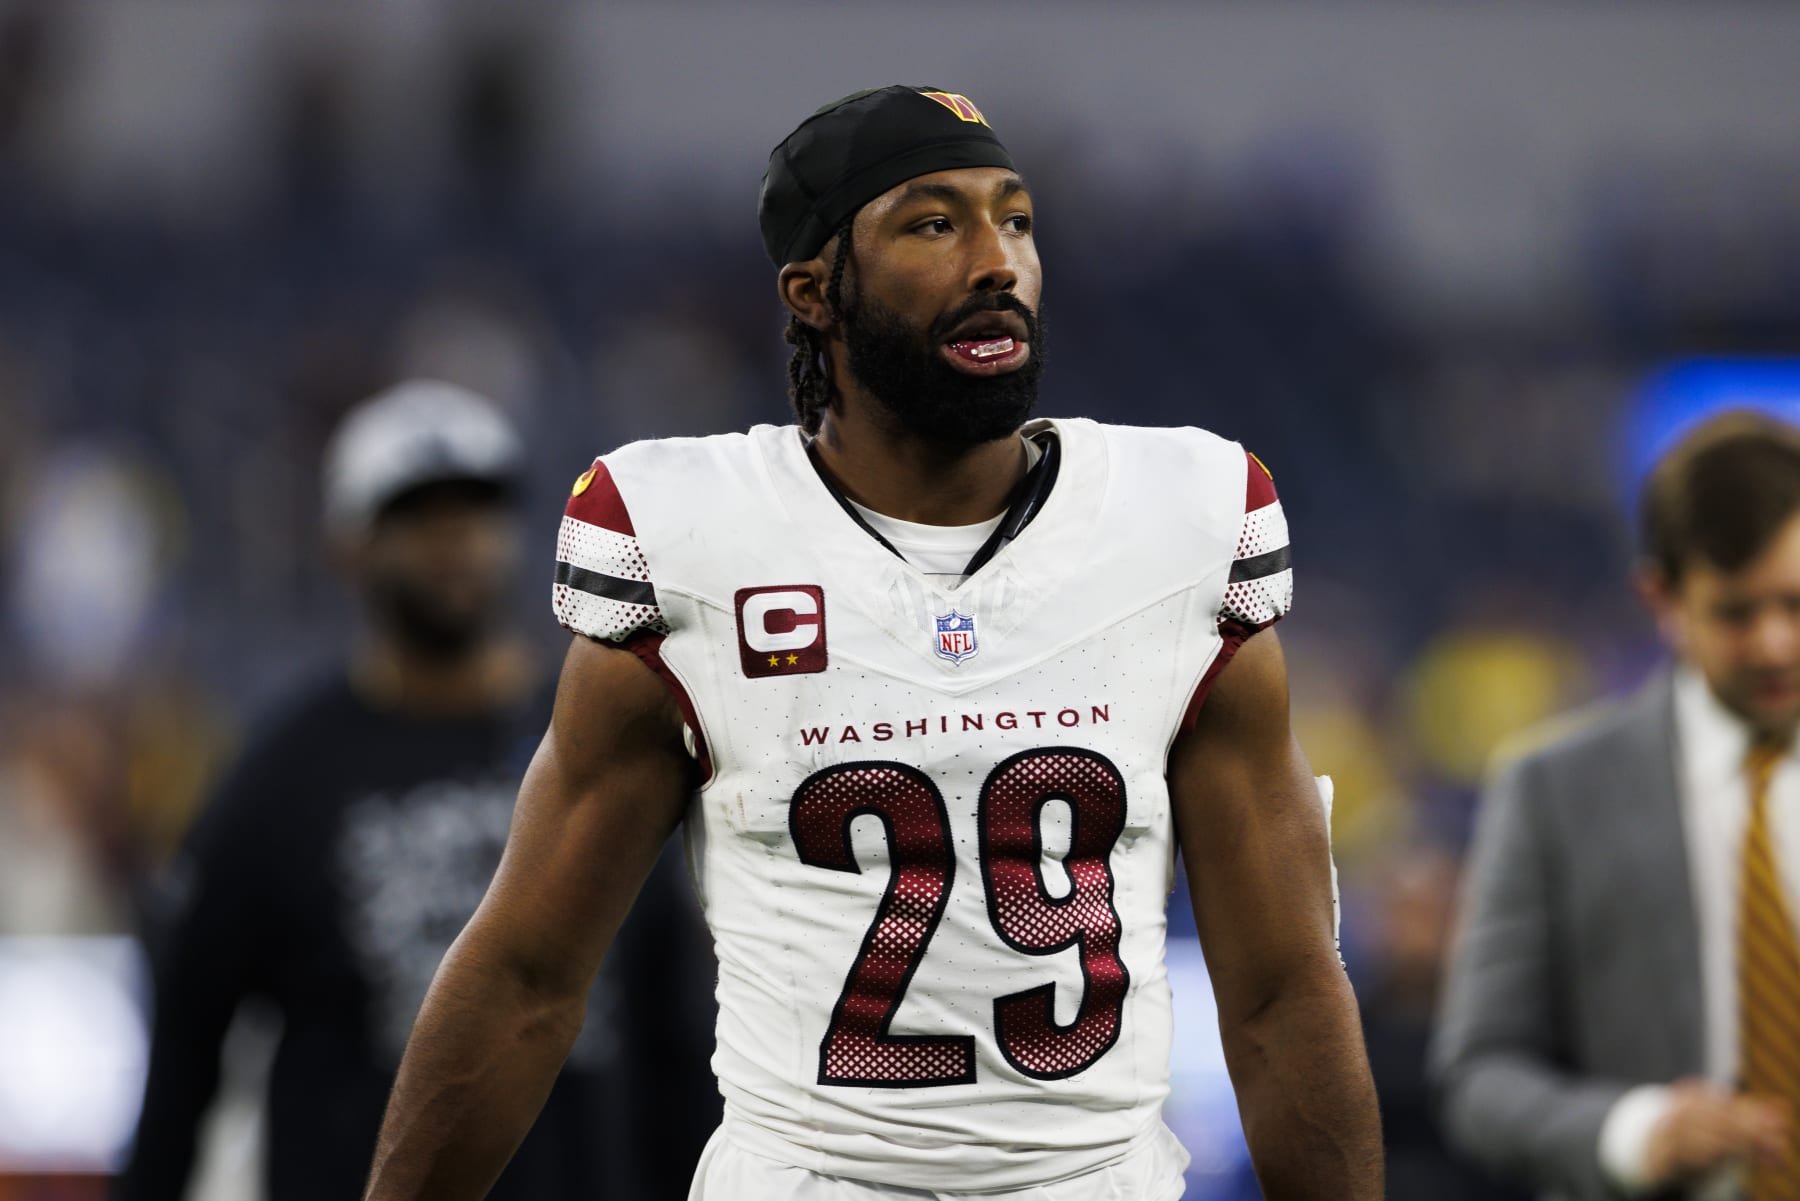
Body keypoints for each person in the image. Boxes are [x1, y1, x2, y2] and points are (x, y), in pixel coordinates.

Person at [364, 87, 1381, 1201]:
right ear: (813, 291)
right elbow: (525, 977)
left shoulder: (1176, 525)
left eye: (1018, 220)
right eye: (934, 223)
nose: (998, 261)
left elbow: (1282, 987)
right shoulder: (699, 541)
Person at [120, 380, 716, 1201]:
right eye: (417, 517)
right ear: (348, 544)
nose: (454, 542)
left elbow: (675, 1036)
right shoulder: (282, 777)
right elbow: (185, 1048)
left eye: (474, 511)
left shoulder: (600, 736)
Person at [1431, 410, 1800, 1200]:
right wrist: (1632, 1129)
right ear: (1661, 598)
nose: (1773, 643)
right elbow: (1480, 1077)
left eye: (1796, 604)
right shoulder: (1554, 792)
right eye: (1736, 612)